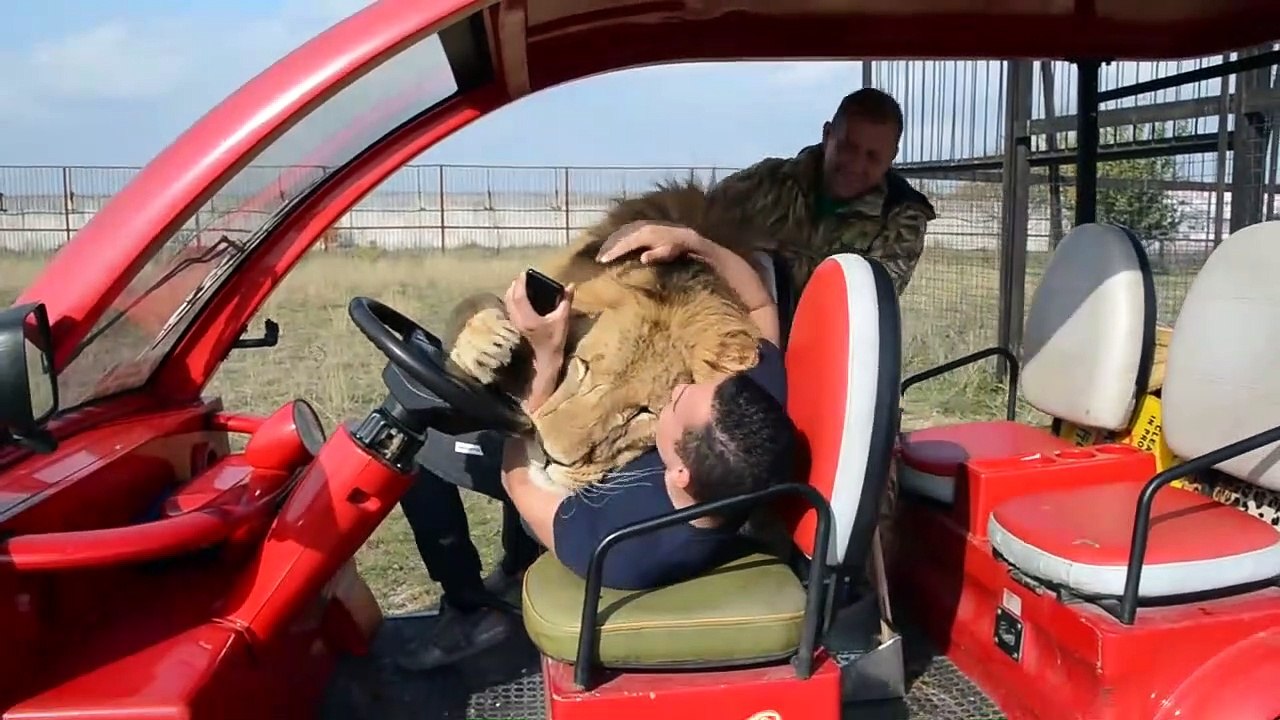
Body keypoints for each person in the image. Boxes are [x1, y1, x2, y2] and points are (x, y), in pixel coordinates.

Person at [394, 223, 795, 671]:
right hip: (588, 478)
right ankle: (512, 570)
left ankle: (469, 609)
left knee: (421, 443)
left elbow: (523, 477)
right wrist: (696, 242)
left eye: (655, 411)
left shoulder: (621, 540)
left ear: (676, 472)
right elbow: (759, 304)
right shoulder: (750, 406)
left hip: (557, 487)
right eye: (686, 390)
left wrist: (547, 362)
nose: (680, 393)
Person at [706, 87, 937, 297]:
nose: (856, 165)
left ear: (892, 157)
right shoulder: (768, 180)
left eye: (872, 156)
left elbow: (864, 300)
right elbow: (702, 220)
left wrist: (773, 264)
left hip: (833, 340)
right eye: (848, 147)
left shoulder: (901, 217)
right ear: (827, 136)